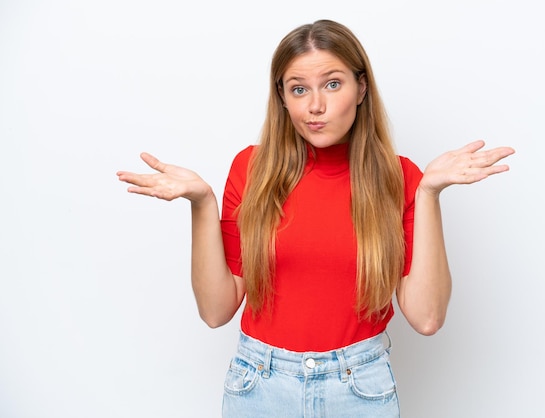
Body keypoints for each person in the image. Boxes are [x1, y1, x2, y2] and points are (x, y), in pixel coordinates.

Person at [117, 19, 514, 418]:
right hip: (260, 386)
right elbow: (215, 311)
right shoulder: (251, 169)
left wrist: (429, 192)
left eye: (333, 84)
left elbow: (427, 318)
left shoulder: (402, 179)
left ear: (361, 88)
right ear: (283, 98)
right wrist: (202, 202)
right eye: (299, 89)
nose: (315, 106)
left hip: (359, 389)